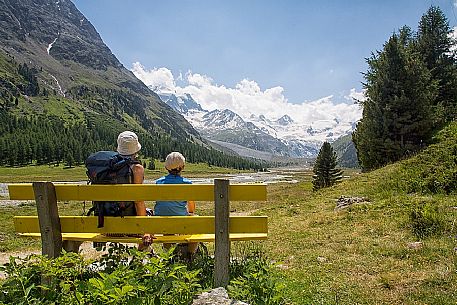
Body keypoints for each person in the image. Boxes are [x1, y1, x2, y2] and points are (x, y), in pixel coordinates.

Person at [154, 151, 197, 258]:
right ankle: (190, 255)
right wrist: (190, 213)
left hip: (160, 220)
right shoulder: (187, 184)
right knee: (197, 223)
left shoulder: (159, 182)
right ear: (183, 167)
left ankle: (168, 256)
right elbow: (191, 209)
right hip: (180, 220)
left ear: (166, 167)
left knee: (167, 227)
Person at [116, 131, 152, 249]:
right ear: (136, 149)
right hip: (130, 226)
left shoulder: (109, 167)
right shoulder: (136, 168)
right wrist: (144, 230)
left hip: (104, 224)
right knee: (151, 219)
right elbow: (138, 201)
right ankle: (139, 256)